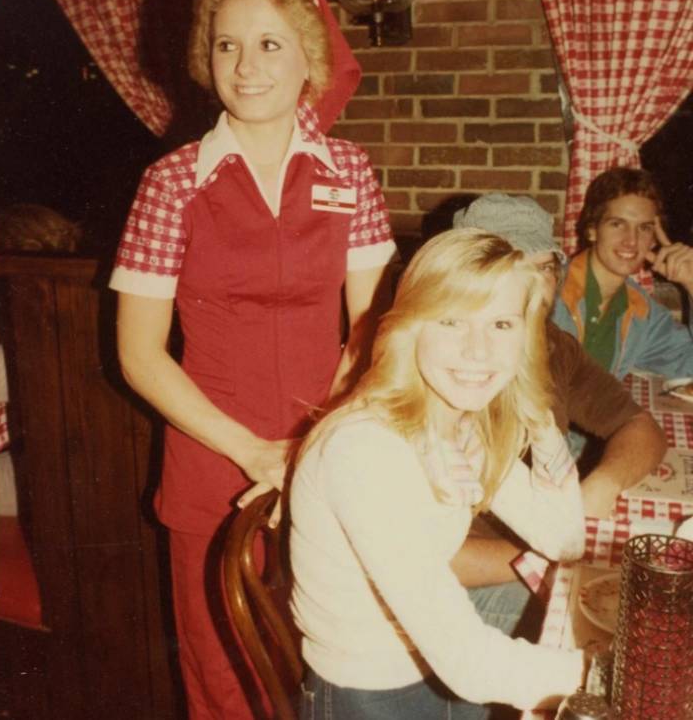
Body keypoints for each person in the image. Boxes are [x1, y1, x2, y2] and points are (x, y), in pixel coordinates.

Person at [111, 0, 394, 720]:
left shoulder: (352, 173)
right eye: (228, 46)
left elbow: (372, 329)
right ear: (207, 63)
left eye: (271, 45)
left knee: (334, 664)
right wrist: (254, 452)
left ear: (310, 60)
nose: (247, 65)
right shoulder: (171, 183)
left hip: (329, 456)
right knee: (224, 679)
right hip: (211, 466)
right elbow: (139, 355)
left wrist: (310, 443)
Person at [290, 229, 591, 719]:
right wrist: (608, 673)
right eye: (451, 321)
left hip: (438, 672)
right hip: (370, 696)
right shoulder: (365, 448)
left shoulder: (453, 420)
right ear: (411, 327)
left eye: (501, 325)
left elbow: (564, 537)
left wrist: (537, 414)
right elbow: (468, 664)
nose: (478, 352)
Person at [447, 195, 664, 667]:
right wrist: (538, 549)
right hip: (445, 598)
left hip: (526, 558)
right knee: (629, 642)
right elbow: (427, 557)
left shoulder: (550, 345)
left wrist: (602, 484)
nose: (531, 284)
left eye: (544, 266)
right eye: (509, 263)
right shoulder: (444, 364)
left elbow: (639, 425)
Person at [553, 167, 693, 379]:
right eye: (617, 224)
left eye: (644, 228)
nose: (631, 241)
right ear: (592, 229)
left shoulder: (641, 312)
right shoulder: (548, 289)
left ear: (654, 239)